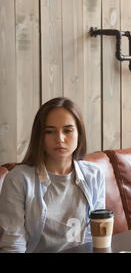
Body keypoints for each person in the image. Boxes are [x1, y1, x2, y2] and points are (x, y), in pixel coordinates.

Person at [0, 97, 105, 253]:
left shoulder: (94, 175)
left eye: (68, 130)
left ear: (79, 134)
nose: (60, 138)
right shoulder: (18, 180)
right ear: (40, 136)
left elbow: (96, 237)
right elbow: (13, 245)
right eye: (50, 131)